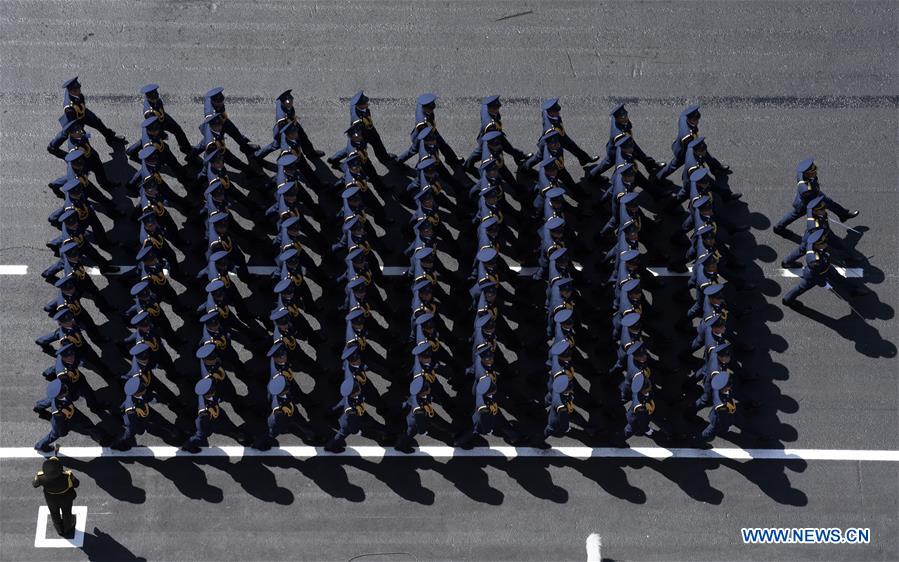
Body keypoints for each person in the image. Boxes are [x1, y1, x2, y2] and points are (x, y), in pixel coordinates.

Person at [32, 452, 80, 538]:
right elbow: (76, 484)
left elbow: (34, 484)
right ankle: (68, 528)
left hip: (51, 498)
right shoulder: (67, 475)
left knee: (54, 513)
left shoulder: (40, 476)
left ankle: (59, 529)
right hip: (66, 497)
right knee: (66, 513)